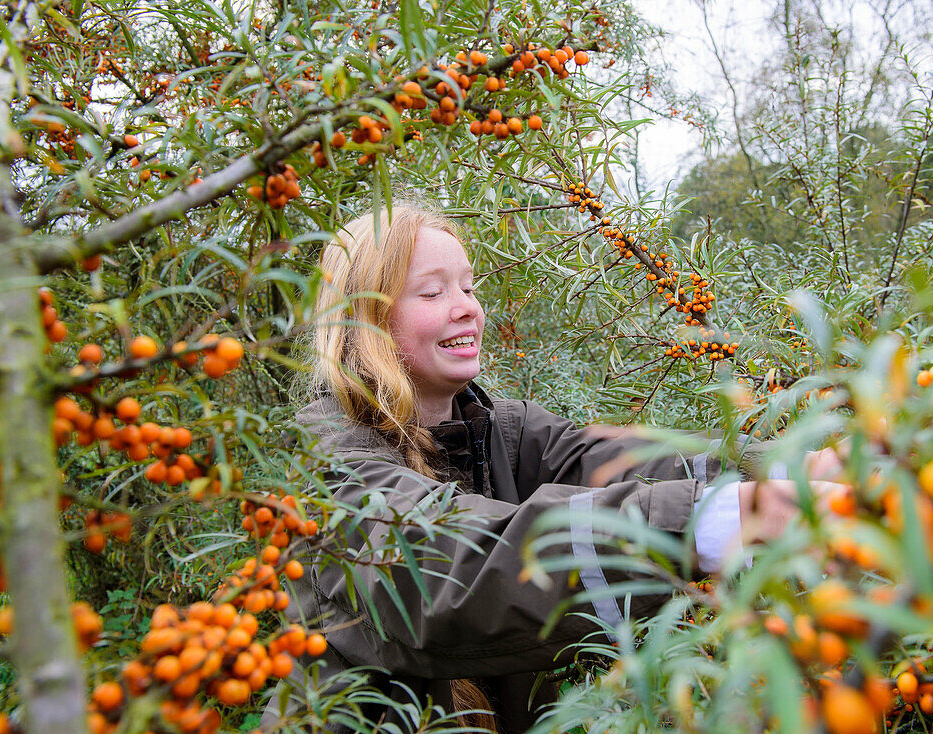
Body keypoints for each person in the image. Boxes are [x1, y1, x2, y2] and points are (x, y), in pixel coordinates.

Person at [264, 202, 842, 733]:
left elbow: (617, 462)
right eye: (433, 293)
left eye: (469, 286)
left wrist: (798, 466)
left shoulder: (500, 430)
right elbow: (447, 569)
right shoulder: (330, 460)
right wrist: (704, 520)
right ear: (366, 320)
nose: (467, 306)